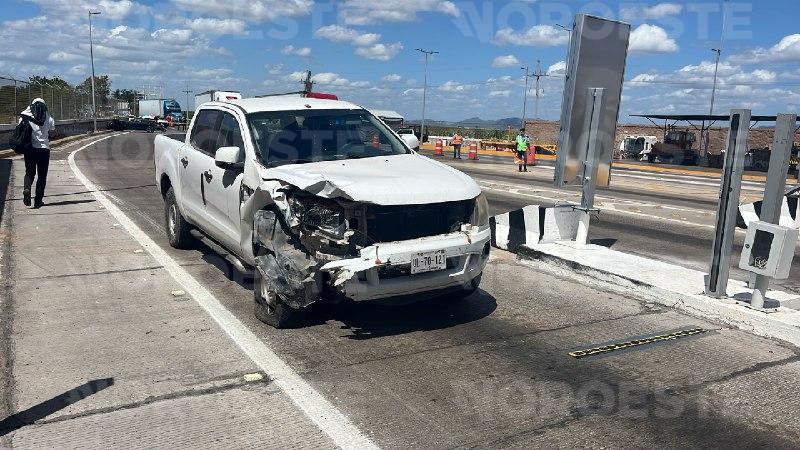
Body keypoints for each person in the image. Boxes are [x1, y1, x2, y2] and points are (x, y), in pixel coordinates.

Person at [20, 98, 55, 208]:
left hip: (29, 149)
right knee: (42, 176)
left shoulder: (25, 116)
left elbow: (19, 129)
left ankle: (27, 188)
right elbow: (53, 134)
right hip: (44, 150)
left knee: (30, 172)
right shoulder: (49, 118)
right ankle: (38, 201)